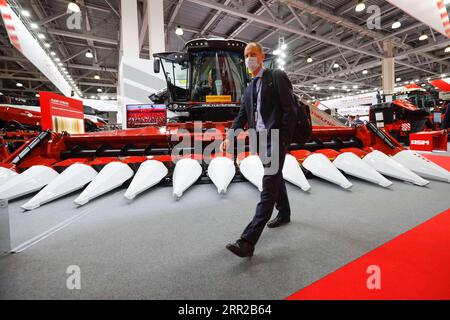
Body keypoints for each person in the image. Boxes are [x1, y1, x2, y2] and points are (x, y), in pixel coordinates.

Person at [220, 42, 297, 258]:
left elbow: (290, 110)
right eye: (246, 55)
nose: (249, 58)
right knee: (275, 177)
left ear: (262, 56)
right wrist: (230, 136)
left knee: (268, 187)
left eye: (253, 54)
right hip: (260, 141)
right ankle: (285, 212)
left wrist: (284, 140)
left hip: (276, 139)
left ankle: (248, 241)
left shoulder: (277, 76)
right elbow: (241, 117)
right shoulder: (249, 88)